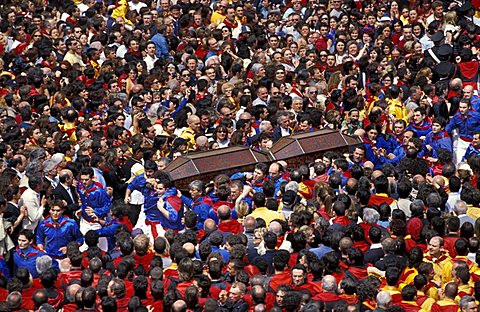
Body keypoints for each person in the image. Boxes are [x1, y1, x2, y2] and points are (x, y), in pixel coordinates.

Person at [77, 167, 111, 251]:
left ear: (92, 178)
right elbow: (83, 201)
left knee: (101, 248)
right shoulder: (80, 187)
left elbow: (107, 206)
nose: (84, 182)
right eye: (82, 179)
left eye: (86, 180)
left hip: (97, 223)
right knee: (84, 247)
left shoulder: (100, 191)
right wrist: (81, 209)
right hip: (84, 221)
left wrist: (95, 211)